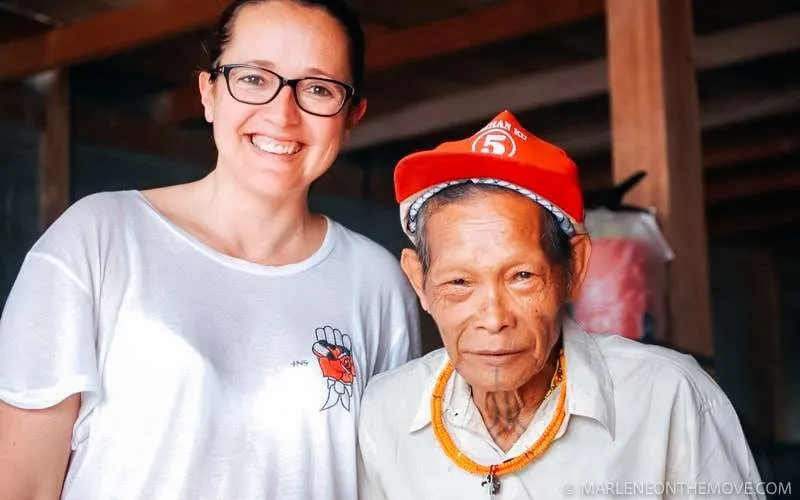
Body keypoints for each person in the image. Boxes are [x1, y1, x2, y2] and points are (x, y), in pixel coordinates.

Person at [0, 1, 421, 499]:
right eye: (253, 78)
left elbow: (389, 483)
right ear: (209, 93)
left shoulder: (377, 284)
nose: (282, 114)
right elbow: (21, 485)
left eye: (318, 89)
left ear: (352, 116)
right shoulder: (99, 239)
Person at [357, 110, 764, 499]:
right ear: (419, 281)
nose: (494, 319)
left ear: (574, 268)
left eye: (522, 276)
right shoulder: (385, 411)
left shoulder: (668, 396)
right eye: (460, 282)